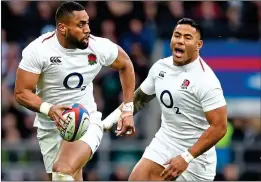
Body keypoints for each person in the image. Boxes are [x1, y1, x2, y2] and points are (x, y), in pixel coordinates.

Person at [14, 1, 135, 181]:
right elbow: (21, 92)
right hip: (50, 127)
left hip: (84, 119)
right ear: (62, 28)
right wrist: (49, 109)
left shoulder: (98, 47)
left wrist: (128, 109)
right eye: (81, 24)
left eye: (87, 23)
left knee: (62, 170)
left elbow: (126, 64)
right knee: (63, 177)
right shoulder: (39, 50)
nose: (87, 29)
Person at [102, 18, 228, 181]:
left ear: (199, 45)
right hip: (165, 142)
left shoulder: (206, 80)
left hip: (196, 159)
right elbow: (140, 98)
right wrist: (107, 122)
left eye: (187, 38)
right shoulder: (160, 67)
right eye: (177, 35)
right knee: (137, 178)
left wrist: (186, 157)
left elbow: (220, 127)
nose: (180, 41)